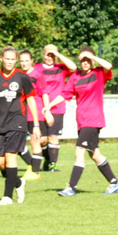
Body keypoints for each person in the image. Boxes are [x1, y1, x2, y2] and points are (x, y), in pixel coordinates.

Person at [54, 47, 118, 196]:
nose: (85, 63)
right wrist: (48, 106)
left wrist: (92, 57)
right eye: (82, 60)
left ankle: (71, 187)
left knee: (79, 151)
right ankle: (115, 183)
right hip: (82, 121)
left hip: (93, 120)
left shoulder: (98, 73)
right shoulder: (75, 76)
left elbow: (109, 66)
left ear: (92, 60)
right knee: (95, 155)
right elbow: (65, 94)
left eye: (88, 60)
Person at [0, 46, 40, 206]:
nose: (9, 62)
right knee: (0, 162)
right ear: (1, 59)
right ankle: (18, 183)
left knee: (10, 157)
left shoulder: (22, 77)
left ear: (16, 61)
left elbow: (31, 101)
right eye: (7, 59)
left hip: (17, 122)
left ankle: (7, 196)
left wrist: (36, 125)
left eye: (13, 59)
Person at [36, 44, 76, 172]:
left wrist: (57, 54)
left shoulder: (61, 68)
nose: (50, 57)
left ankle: (52, 164)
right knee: (42, 139)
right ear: (43, 55)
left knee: (53, 136)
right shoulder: (37, 68)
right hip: (41, 108)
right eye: (48, 54)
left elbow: (74, 67)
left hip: (57, 108)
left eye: (52, 55)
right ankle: (47, 160)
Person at [17, 50, 52, 180]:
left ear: (31, 61)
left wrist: (47, 110)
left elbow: (44, 93)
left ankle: (35, 171)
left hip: (34, 113)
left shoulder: (37, 75)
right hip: (21, 114)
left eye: (27, 60)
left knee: (35, 141)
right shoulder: (18, 75)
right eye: (22, 61)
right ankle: (33, 166)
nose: (24, 63)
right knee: (17, 143)